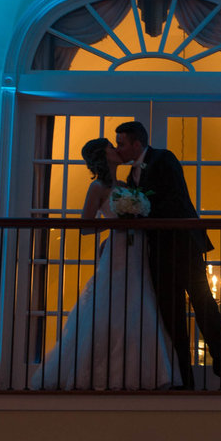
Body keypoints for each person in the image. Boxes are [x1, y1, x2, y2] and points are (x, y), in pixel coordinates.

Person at [30, 137, 180, 390]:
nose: (116, 149)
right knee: (112, 304)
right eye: (112, 147)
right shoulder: (97, 188)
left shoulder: (126, 184)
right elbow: (86, 226)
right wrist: (116, 223)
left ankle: (143, 372)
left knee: (139, 303)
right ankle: (99, 373)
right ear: (103, 155)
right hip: (118, 250)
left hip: (138, 250)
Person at [115, 120, 221, 389]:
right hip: (158, 252)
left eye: (121, 143)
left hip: (183, 245)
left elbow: (175, 198)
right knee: (172, 317)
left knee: (204, 303)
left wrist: (142, 209)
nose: (119, 148)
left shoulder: (164, 158)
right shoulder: (129, 177)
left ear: (137, 143)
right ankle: (186, 378)